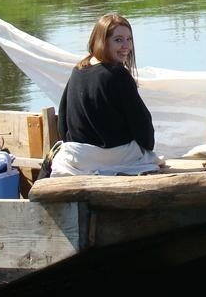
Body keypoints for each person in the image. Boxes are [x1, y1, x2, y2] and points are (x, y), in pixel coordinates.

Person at [43, 13, 161, 177]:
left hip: (77, 157)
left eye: (129, 39)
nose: (126, 46)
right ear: (102, 41)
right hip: (110, 156)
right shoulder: (117, 75)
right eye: (118, 40)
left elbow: (63, 123)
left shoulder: (78, 70)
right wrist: (147, 146)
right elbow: (142, 124)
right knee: (148, 156)